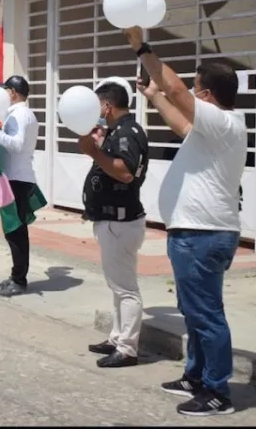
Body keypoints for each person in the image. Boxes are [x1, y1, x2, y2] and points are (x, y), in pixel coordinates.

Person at [125, 26, 247, 416]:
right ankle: (196, 377)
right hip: (194, 234)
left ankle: (217, 392)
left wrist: (142, 48)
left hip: (203, 235)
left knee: (206, 315)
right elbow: (181, 123)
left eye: (195, 89)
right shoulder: (212, 129)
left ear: (207, 95)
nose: (190, 94)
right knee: (195, 311)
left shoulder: (224, 123)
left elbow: (176, 90)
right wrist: (154, 96)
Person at [79, 82, 149, 369]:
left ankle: (127, 348)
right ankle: (117, 337)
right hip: (114, 221)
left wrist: (94, 152)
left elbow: (126, 173)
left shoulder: (126, 133)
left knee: (126, 288)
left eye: (97, 105)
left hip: (120, 222)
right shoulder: (119, 131)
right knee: (117, 285)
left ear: (107, 106)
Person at [0, 76, 39, 297]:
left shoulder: (20, 115)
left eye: (5, 90)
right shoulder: (17, 114)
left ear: (13, 92)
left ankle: (19, 280)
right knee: (14, 231)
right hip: (15, 177)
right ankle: (16, 275)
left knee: (16, 231)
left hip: (18, 179)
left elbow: (17, 145)